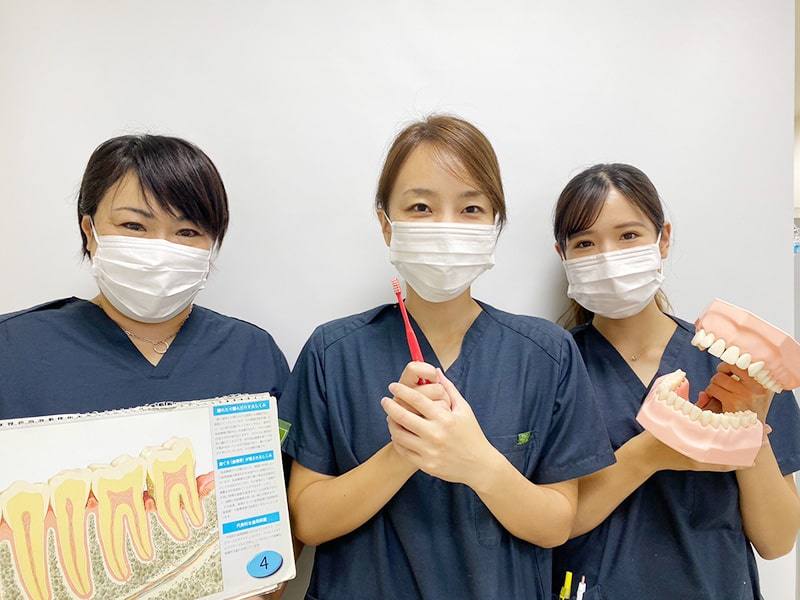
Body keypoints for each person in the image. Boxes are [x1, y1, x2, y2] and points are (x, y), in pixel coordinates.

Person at [279, 115, 615, 600]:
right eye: (421, 207)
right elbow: (308, 521)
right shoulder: (333, 353)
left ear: (494, 225)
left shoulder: (546, 354)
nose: (446, 227)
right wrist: (403, 451)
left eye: (471, 208)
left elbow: (555, 524)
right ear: (387, 225)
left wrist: (477, 462)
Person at [0, 134, 291, 599]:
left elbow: (280, 512)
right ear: (90, 231)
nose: (161, 249)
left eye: (187, 232)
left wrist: (261, 582)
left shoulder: (251, 353)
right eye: (134, 225)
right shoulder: (13, 349)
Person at [550, 163, 800, 599]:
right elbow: (547, 523)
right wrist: (647, 455)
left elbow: (777, 542)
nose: (608, 257)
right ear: (563, 255)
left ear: (662, 239)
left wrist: (750, 433)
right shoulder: (553, 367)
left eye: (628, 235)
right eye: (585, 243)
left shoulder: (738, 365)